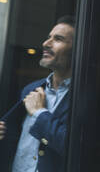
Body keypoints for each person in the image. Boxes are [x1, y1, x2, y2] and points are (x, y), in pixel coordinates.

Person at [0, 15, 75, 172]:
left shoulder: (82, 97)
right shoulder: (30, 89)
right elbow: (14, 136)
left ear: (76, 50)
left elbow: (74, 148)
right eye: (49, 38)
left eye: (58, 39)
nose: (46, 44)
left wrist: (39, 113)